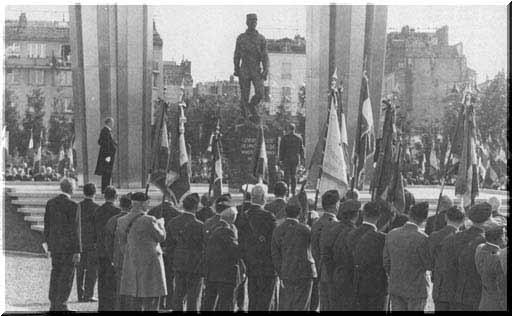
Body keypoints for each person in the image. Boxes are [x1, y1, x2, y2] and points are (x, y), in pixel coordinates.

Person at [438, 202, 492, 311]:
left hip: (454, 294)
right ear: (488, 219)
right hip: (476, 296)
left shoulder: (452, 239)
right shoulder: (486, 243)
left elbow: (445, 266)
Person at [119, 192, 167, 311]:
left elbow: (122, 243)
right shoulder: (149, 220)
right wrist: (161, 225)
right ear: (143, 203)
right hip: (150, 263)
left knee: (135, 297)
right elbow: (161, 237)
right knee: (152, 298)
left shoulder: (121, 220)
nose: (149, 205)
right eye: (147, 202)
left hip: (132, 262)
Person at [237, 184, 277, 311]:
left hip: (250, 264)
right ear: (263, 198)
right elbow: (274, 243)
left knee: (253, 301)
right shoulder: (269, 217)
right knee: (266, 302)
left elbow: (240, 241)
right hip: (267, 266)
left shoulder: (242, 216)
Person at [383, 202, 430, 311]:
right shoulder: (423, 238)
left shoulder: (392, 234)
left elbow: (386, 262)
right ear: (424, 219)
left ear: (409, 214)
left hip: (397, 286)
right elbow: (428, 264)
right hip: (416, 289)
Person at [43, 178, 81, 311]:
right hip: (69, 247)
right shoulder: (74, 205)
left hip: (55, 245)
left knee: (56, 273)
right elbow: (75, 230)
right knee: (67, 275)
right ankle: (62, 303)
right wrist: (77, 250)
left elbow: (47, 225)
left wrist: (47, 243)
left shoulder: (50, 203)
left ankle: (53, 302)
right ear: (72, 189)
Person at [271, 203, 316, 310]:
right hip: (304, 273)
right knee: (302, 306)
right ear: (299, 214)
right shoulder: (305, 229)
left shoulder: (278, 230)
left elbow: (275, 254)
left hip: (286, 272)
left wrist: (280, 271)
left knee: (287, 305)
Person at [167, 193, 205, 311]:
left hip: (178, 262)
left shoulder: (173, 222)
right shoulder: (200, 226)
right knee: (193, 298)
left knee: (178, 295)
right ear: (196, 207)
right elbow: (203, 247)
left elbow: (169, 245)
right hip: (195, 264)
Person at [321, 199, 360, 311]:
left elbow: (326, 254)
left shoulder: (331, 229)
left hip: (334, 276)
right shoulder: (354, 232)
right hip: (348, 279)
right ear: (355, 215)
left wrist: (332, 272)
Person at [453, 203, 493, 311]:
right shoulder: (486, 241)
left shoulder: (457, 237)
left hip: (459, 290)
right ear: (488, 218)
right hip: (478, 293)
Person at [203, 207, 242, 311]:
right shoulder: (227, 231)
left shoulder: (211, 227)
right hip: (226, 273)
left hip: (212, 271)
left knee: (209, 302)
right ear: (232, 218)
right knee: (226, 303)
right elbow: (235, 251)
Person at [352, 200, 388, 311]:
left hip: (356, 284)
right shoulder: (382, 238)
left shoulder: (351, 234)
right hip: (377, 286)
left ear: (363, 214)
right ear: (379, 216)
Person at [148, 192, 181, 310]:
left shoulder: (152, 212)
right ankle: (169, 303)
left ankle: (159, 302)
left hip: (156, 248)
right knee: (170, 278)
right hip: (172, 250)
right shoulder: (178, 214)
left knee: (158, 278)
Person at [427, 206, 464, 311]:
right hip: (458, 288)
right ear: (462, 221)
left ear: (446, 218)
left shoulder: (435, 236)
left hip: (440, 286)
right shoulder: (464, 238)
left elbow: (429, 262)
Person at [233, 13, 268, 122]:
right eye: (251, 21)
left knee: (260, 93)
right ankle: (244, 117)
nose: (253, 23)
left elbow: (265, 56)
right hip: (244, 69)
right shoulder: (241, 38)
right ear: (247, 22)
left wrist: (266, 69)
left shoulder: (261, 39)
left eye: (255, 21)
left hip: (256, 69)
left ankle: (251, 107)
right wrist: (236, 68)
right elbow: (237, 54)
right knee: (244, 95)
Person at [310, 190, 339, 311]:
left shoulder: (316, 224)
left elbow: (314, 249)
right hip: (335, 272)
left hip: (321, 270)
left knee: (324, 305)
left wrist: (319, 264)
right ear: (336, 205)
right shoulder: (337, 225)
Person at [94, 186, 121, 311]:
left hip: (100, 248)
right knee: (112, 280)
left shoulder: (98, 211)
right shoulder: (117, 212)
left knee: (102, 278)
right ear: (115, 197)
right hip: (112, 249)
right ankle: (111, 305)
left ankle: (102, 306)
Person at [104, 193, 131, 310]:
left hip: (118, 258)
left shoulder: (113, 220)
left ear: (120, 205)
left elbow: (108, 242)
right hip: (132, 259)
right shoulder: (135, 220)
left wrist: (112, 257)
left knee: (119, 288)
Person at [475, 221, 507, 311]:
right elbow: (501, 286)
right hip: (497, 305)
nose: (506, 238)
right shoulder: (497, 258)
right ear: (498, 239)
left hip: (485, 303)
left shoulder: (480, 249)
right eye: (504, 235)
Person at [76, 183, 100, 302]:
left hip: (80, 242)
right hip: (92, 243)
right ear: (94, 193)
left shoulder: (77, 206)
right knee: (92, 270)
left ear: (84, 192)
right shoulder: (97, 208)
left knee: (80, 269)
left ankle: (80, 293)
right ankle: (88, 294)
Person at [279, 124, 305, 197]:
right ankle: (293, 192)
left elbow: (281, 149)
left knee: (286, 176)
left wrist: (280, 159)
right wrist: (302, 158)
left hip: (287, 159)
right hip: (295, 159)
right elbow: (301, 149)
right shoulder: (299, 138)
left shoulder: (284, 138)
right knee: (294, 176)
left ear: (288, 129)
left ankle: (286, 192)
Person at [94, 117, 117, 193]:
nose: (113, 124)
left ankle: (105, 189)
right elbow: (105, 144)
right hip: (107, 156)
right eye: (112, 123)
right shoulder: (105, 131)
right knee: (107, 173)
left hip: (108, 156)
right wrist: (108, 156)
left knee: (107, 173)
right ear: (109, 123)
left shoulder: (106, 131)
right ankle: (105, 190)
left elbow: (101, 142)